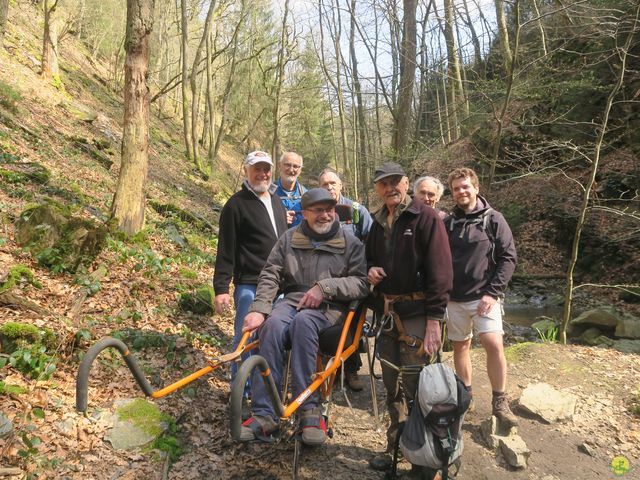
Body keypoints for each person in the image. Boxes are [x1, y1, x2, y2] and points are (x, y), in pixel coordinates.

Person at [239, 188, 369, 446]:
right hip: (292, 300)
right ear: (305, 213)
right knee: (272, 325)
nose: (325, 215)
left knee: (304, 322)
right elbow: (270, 274)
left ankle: (309, 409)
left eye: (329, 209)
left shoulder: (350, 243)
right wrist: (260, 308)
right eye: (318, 210)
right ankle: (265, 413)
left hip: (331, 308)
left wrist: (326, 287)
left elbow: (361, 283)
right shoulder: (289, 238)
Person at [365, 162, 453, 473]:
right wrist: (370, 271)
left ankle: (424, 458)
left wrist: (434, 321)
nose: (389, 188)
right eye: (382, 183)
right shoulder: (376, 222)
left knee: (420, 389)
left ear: (406, 183)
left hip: (419, 315)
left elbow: (441, 271)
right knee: (392, 387)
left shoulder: (424, 217)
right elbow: (370, 260)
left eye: (394, 182)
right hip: (389, 315)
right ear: (376, 188)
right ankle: (396, 447)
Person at [444, 167, 518, 428]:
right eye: (456, 188)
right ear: (452, 193)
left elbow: (509, 258)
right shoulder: (448, 222)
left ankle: (500, 400)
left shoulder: (493, 219)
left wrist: (493, 293)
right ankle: (466, 395)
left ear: (476, 188)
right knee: (460, 346)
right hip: (454, 298)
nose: (461, 191)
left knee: (493, 343)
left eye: (466, 186)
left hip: (484, 297)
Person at [213, 151, 288, 388]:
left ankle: (268, 389)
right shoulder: (235, 205)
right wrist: (221, 288)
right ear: (246, 170)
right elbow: (226, 249)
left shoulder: (276, 201)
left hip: (280, 284)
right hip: (250, 283)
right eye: (257, 169)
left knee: (274, 337)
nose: (262, 174)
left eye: (266, 169)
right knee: (245, 337)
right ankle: (241, 391)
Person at [318, 167, 373, 392]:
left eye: (333, 183)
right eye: (324, 184)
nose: (329, 187)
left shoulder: (357, 211)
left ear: (341, 185)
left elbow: (371, 242)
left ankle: (351, 370)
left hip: (353, 281)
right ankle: (331, 368)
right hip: (324, 280)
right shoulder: (317, 211)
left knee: (352, 326)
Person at [275, 151, 307, 227]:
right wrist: (278, 218)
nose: (291, 170)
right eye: (287, 165)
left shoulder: (306, 194)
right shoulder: (269, 192)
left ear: (300, 170)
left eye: (295, 166)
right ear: (279, 166)